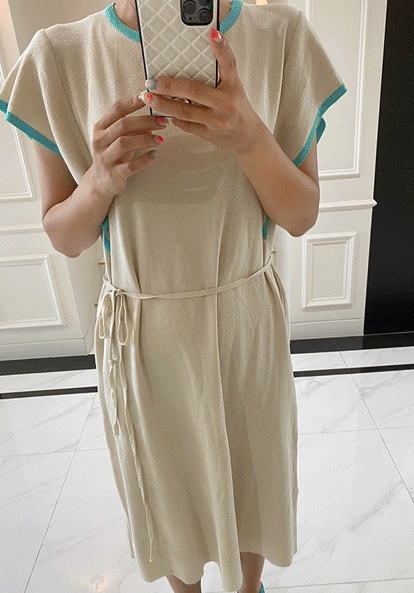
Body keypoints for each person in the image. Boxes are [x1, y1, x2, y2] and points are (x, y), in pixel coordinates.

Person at [0, 1, 347, 592]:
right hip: (145, 339)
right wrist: (100, 179)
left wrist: (250, 139)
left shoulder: (282, 36)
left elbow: (300, 214)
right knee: (168, 501)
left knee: (252, 490)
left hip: (246, 322)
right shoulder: (59, 57)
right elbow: (66, 236)